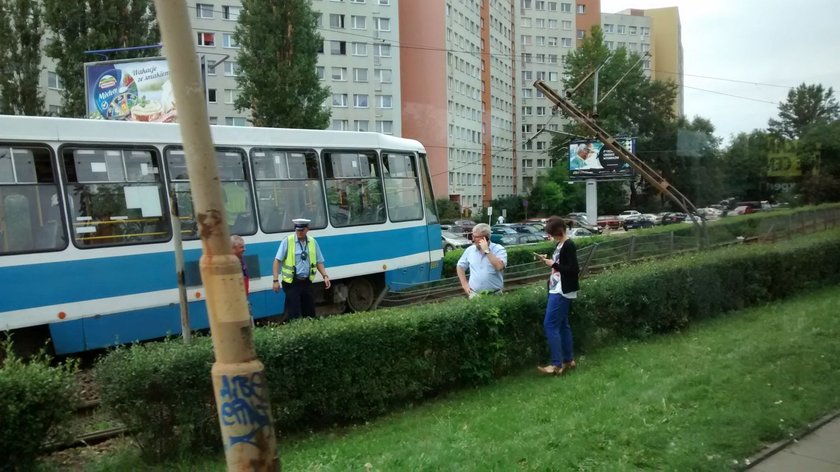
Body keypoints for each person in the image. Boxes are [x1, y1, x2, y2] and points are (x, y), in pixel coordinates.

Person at [534, 216, 580, 375]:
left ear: (558, 231)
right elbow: (561, 266)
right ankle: (568, 360)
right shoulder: (560, 244)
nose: (550, 236)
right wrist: (548, 261)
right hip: (556, 288)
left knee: (550, 324)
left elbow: (573, 269)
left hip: (561, 290)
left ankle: (556, 365)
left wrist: (552, 264)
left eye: (551, 233)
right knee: (562, 324)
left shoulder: (568, 245)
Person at [272, 218, 331, 319]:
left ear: (307, 229)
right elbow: (277, 261)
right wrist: (275, 280)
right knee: (293, 313)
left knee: (310, 313)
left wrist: (325, 276)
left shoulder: (313, 242)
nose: (299, 233)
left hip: (307, 282)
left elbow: (319, 261)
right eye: (297, 230)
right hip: (292, 283)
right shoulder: (287, 241)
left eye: (301, 230)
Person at [456, 223, 507, 298]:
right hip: (475, 294)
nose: (473, 239)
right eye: (472, 236)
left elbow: (499, 267)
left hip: (495, 295)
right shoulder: (470, 250)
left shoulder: (498, 249)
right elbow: (460, 266)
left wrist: (487, 251)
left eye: (476, 237)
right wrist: (465, 285)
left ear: (486, 238)